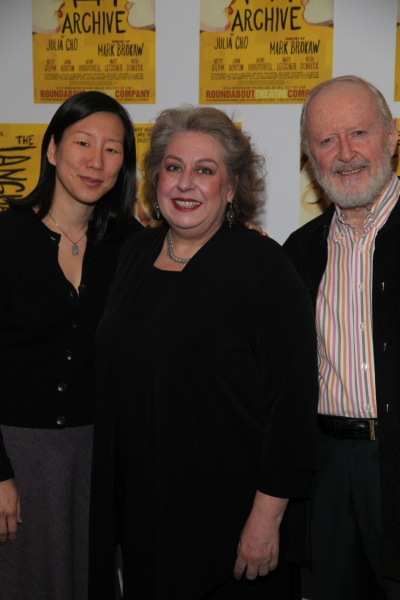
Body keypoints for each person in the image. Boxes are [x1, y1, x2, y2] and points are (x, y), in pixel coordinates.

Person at [88, 106, 319, 599]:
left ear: (232, 188)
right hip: (146, 520)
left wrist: (264, 519)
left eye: (205, 170)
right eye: (173, 167)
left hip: (233, 529)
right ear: (155, 179)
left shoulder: (263, 266)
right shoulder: (133, 254)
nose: (185, 183)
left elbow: (292, 409)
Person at [0, 90, 142, 600]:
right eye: (83, 142)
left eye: (113, 149)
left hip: (93, 455)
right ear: (53, 149)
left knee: (84, 580)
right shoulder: (8, 237)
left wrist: (242, 238)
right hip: (14, 453)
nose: (96, 161)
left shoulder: (130, 245)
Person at [283, 75, 400, 600]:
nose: (345, 153)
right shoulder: (298, 251)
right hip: (327, 470)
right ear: (309, 155)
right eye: (327, 140)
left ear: (393, 136)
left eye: (359, 133)